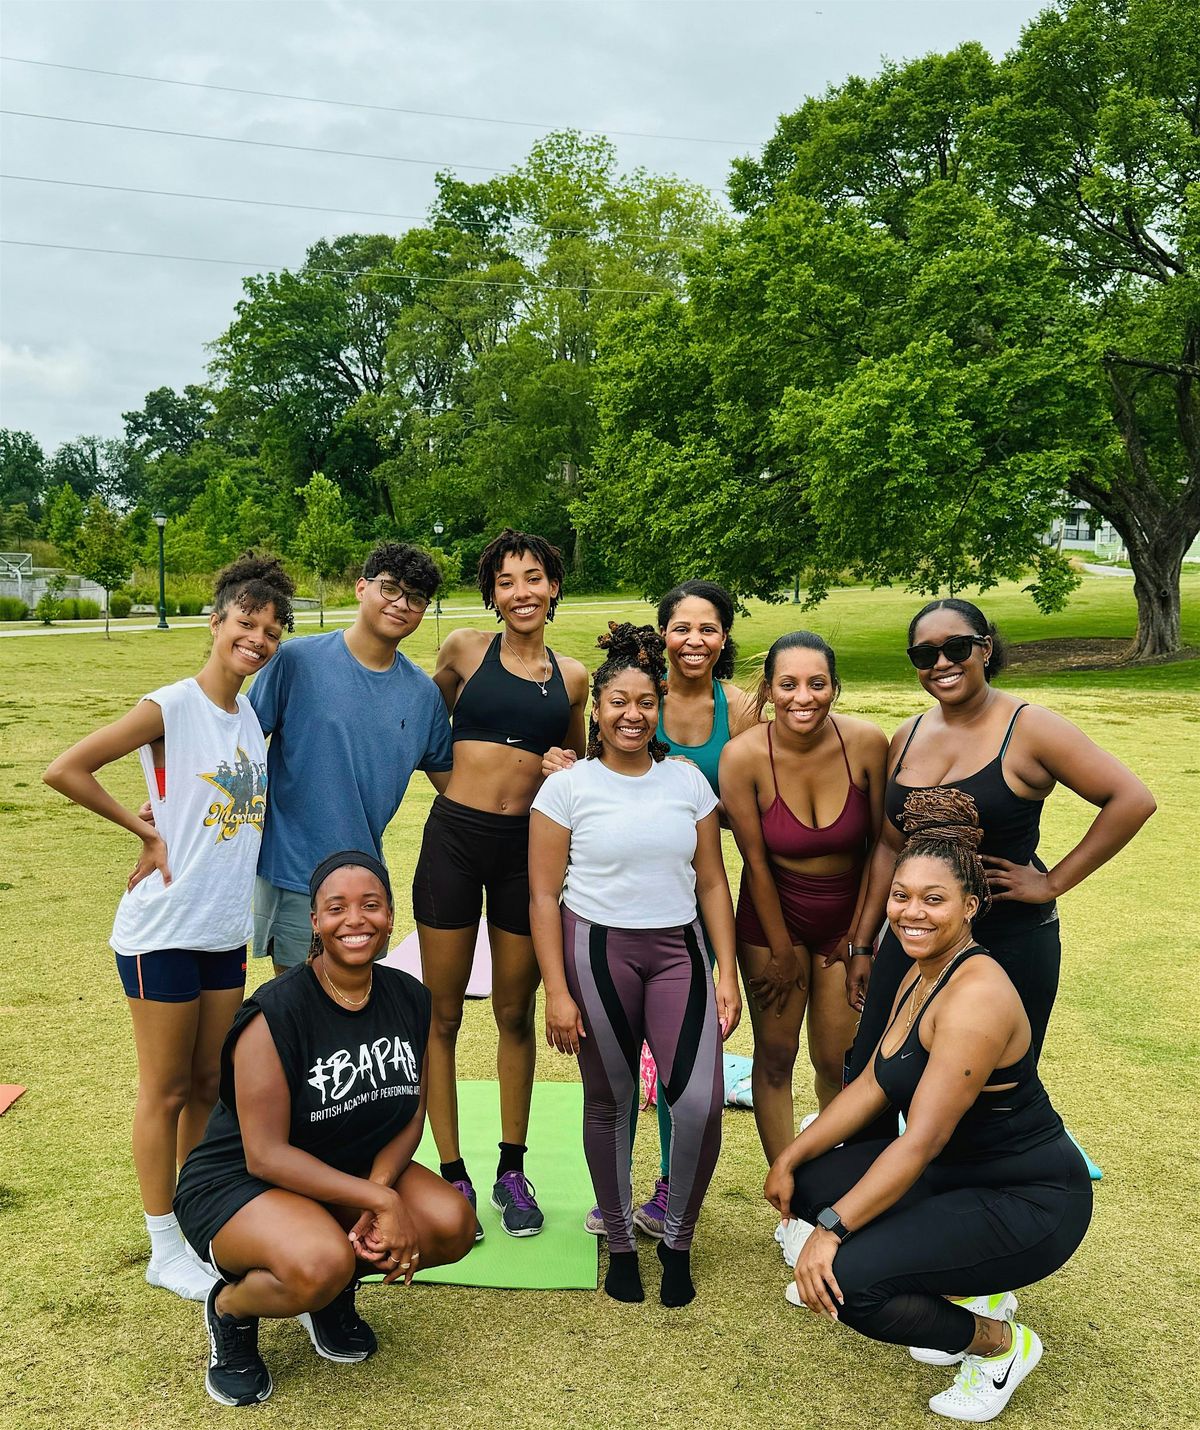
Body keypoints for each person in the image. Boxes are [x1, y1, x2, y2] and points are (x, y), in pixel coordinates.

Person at [764, 789, 1093, 1423]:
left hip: (1029, 1199)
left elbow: (918, 1144)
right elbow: (873, 1085)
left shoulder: (976, 997)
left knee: (852, 1286)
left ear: (971, 907)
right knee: (808, 1180)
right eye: (901, 895)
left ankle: (999, 1346)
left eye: (934, 899)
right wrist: (791, 1156)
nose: (911, 913)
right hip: (960, 1177)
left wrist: (829, 1233)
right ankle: (957, 1282)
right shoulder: (922, 964)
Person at [43, 554, 295, 1303]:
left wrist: (168, 818)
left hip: (221, 927)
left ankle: (196, 1220)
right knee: (162, 1089)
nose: (257, 639)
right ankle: (162, 1244)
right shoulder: (172, 705)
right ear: (216, 623)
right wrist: (143, 834)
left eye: (271, 631)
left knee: (209, 1084)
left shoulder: (248, 714)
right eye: (246, 624)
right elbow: (67, 769)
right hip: (162, 929)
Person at [843, 598, 1156, 1142]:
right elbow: (890, 848)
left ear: (985, 649)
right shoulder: (908, 734)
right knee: (873, 1070)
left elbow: (1130, 799)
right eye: (924, 653)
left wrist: (1053, 881)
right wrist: (865, 943)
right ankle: (863, 1213)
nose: (941, 663)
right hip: (914, 937)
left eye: (956, 647)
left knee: (986, 1094)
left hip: (1007, 940)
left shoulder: (1030, 728)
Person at [173, 852, 474, 1407]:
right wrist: (378, 1202)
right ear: (315, 922)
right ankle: (231, 1310)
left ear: (389, 916)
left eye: (370, 905)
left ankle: (330, 1297)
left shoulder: (410, 996)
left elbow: (411, 1113)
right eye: (336, 908)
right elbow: (265, 1155)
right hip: (241, 1182)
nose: (355, 920)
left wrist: (378, 1193)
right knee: (321, 1261)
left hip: (346, 1172)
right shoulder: (275, 1012)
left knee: (451, 1223)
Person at [528, 623, 742, 1307]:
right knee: (611, 1101)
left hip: (679, 952)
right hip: (598, 953)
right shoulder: (567, 788)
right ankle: (620, 1242)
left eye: (644, 702)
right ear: (596, 710)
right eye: (616, 700)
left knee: (701, 1102)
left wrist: (727, 971)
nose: (631, 713)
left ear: (658, 710)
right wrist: (557, 991)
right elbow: (541, 894)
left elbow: (712, 882)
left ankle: (677, 1240)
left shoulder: (684, 781)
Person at [413, 529, 588, 1239]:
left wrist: (565, 769)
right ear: (493, 593)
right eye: (507, 580)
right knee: (442, 1015)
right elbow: (416, 725)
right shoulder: (462, 648)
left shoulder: (573, 676)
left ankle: (511, 1168)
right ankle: (451, 1172)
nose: (522, 591)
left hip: (528, 855)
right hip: (454, 842)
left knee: (515, 1014)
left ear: (553, 588)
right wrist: (454, 786)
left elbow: (584, 758)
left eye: (534, 578)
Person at [721, 631, 888, 1166]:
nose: (803, 697)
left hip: (848, 919)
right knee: (775, 1056)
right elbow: (755, 859)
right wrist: (779, 947)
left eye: (817, 684)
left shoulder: (866, 743)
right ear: (768, 691)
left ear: (835, 687)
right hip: (772, 921)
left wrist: (860, 939)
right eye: (788, 684)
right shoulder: (742, 757)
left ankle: (832, 1182)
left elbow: (882, 845)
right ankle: (786, 1186)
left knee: (837, 1062)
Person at [247, 542, 453, 977]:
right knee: (296, 1006)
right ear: (362, 588)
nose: (401, 605)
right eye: (391, 589)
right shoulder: (294, 661)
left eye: (416, 598)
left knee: (353, 1014)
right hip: (292, 872)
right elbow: (238, 745)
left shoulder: (424, 697)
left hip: (364, 880)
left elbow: (458, 789)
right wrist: (174, 805)